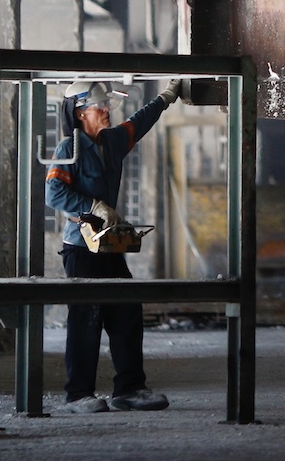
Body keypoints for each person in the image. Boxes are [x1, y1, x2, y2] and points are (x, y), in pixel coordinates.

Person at [45, 78, 182, 413]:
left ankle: (130, 389)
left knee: (126, 312)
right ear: (80, 114)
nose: (106, 111)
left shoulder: (113, 142)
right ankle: (78, 395)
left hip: (108, 247)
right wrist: (95, 207)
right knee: (86, 318)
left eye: (106, 104)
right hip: (81, 249)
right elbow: (53, 194)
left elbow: (139, 122)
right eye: (98, 106)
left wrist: (166, 97)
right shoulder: (69, 149)